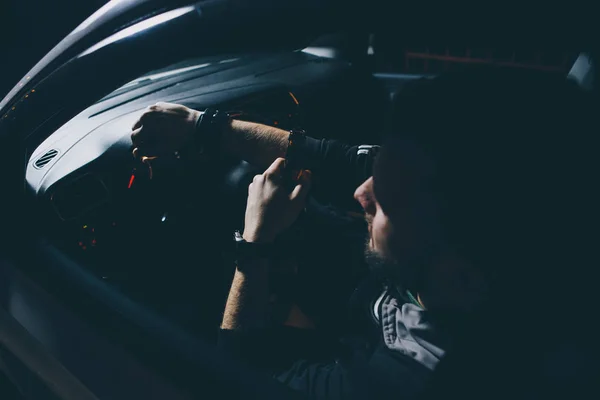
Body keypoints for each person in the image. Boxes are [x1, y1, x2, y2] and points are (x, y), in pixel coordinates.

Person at [130, 68, 596, 399]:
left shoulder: (412, 379)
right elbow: (337, 160)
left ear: (464, 274)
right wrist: (204, 126)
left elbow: (234, 380)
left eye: (386, 204)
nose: (360, 192)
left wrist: (255, 245)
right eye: (376, 171)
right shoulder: (506, 210)